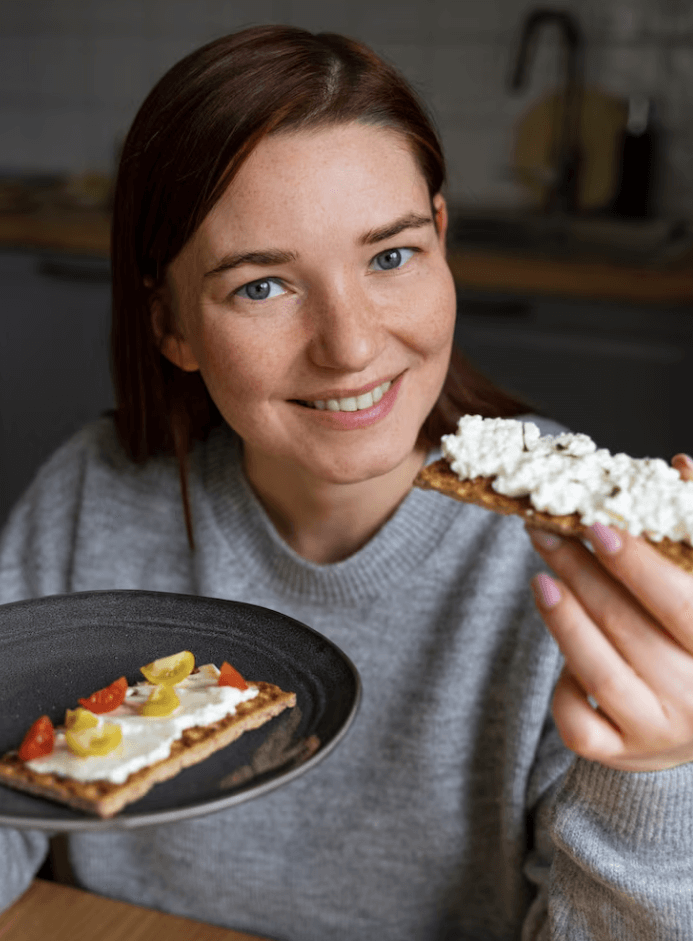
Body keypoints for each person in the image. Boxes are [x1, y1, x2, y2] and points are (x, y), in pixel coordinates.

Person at [2, 25, 693, 940]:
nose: (351, 345)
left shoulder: (581, 580)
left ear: (441, 239)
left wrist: (656, 774)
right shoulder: (90, 500)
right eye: (261, 286)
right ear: (169, 321)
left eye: (390, 256)